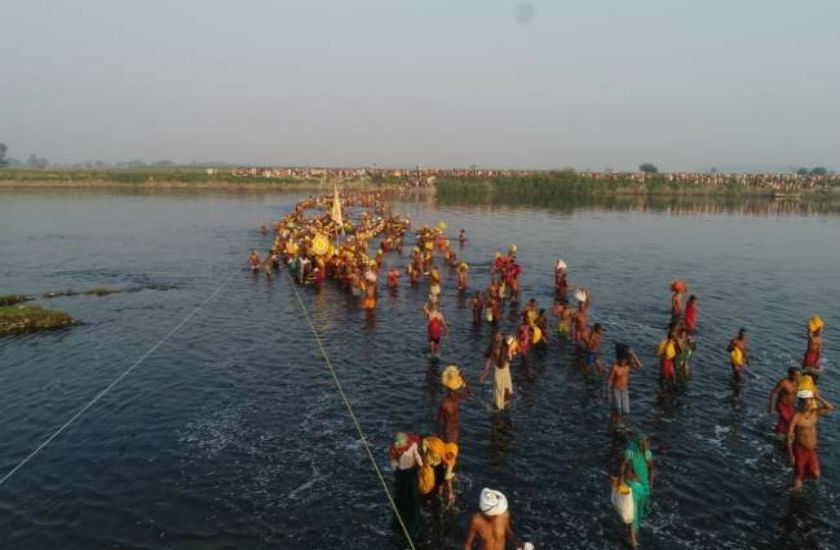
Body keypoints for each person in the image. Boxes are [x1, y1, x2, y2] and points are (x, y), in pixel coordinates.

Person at [787, 393, 834, 490]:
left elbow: (830, 407)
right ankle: (795, 492)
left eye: (810, 404)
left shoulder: (814, 413)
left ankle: (801, 480)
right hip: (800, 449)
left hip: (812, 449)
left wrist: (817, 397)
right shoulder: (796, 417)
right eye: (806, 404)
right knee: (799, 475)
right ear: (801, 404)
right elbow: (789, 436)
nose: (809, 406)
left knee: (816, 474)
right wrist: (791, 455)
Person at [621, 433, 655, 549]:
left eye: (646, 443)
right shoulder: (630, 453)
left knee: (638, 511)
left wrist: (650, 486)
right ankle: (634, 541)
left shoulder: (648, 454)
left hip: (643, 487)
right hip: (632, 486)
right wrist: (621, 481)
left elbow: (652, 470)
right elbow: (623, 467)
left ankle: (631, 532)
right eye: (643, 443)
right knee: (634, 512)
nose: (645, 445)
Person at [389, 432, 423, 536]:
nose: (400, 447)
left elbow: (416, 455)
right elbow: (394, 462)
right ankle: (401, 518)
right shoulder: (395, 450)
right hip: (401, 473)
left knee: (412, 495)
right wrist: (395, 470)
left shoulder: (413, 445)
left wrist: (421, 465)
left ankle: (412, 521)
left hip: (411, 472)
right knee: (402, 496)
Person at [608, 349, 642, 426]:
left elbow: (639, 366)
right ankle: (617, 424)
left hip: (624, 390)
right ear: (618, 359)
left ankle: (613, 416)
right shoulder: (615, 367)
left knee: (626, 410)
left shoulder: (627, 366)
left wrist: (633, 354)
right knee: (619, 409)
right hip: (616, 389)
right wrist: (609, 393)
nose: (623, 362)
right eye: (621, 360)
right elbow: (609, 380)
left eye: (624, 360)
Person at [439, 365, 470, 444]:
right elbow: (440, 421)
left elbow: (469, 393)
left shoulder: (457, 398)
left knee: (454, 447)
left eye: (455, 391)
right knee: (450, 448)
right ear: (447, 390)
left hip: (456, 429)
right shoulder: (445, 403)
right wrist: (440, 436)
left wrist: (464, 379)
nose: (453, 393)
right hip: (448, 432)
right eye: (451, 391)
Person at [769, 368, 801, 437]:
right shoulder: (784, 382)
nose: (798, 377)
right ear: (791, 375)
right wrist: (771, 406)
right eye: (796, 375)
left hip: (791, 406)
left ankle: (778, 433)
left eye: (799, 375)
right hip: (782, 405)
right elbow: (774, 393)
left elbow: (801, 394)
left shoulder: (799, 383)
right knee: (789, 421)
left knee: (784, 422)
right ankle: (783, 434)